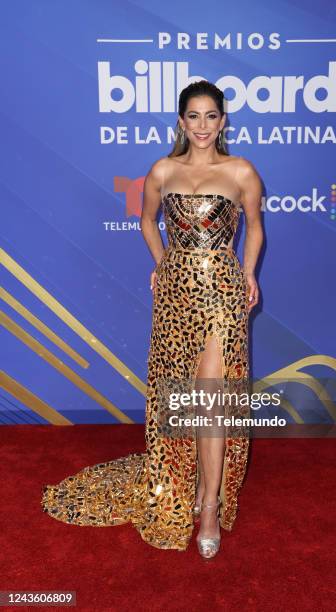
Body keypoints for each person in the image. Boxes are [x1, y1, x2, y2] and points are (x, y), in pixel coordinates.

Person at [41, 79, 263, 559]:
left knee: (211, 400)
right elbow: (146, 220)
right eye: (193, 116)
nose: (202, 126)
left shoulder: (242, 171)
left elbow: (256, 228)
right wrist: (161, 261)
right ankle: (190, 485)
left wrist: (248, 274)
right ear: (181, 122)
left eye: (211, 116)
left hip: (222, 291)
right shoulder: (162, 170)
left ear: (223, 121)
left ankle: (208, 506)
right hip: (176, 295)